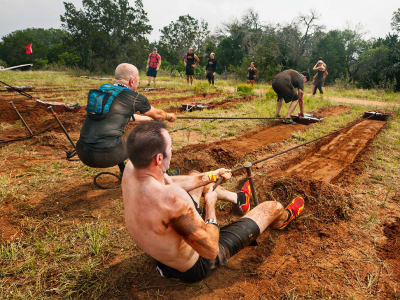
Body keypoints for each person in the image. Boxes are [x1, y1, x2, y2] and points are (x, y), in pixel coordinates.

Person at [122, 121, 305, 282]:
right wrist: (211, 205)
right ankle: (282, 219)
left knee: (195, 177)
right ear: (159, 158)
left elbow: (169, 181)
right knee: (272, 207)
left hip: (162, 251)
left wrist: (210, 176)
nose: (172, 150)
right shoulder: (172, 200)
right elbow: (210, 251)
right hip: (194, 266)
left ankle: (239, 199)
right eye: (170, 147)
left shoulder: (132, 168)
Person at [76, 63, 176, 176]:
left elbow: (120, 117)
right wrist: (169, 116)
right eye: (138, 80)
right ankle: (164, 174)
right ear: (131, 81)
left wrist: (147, 118)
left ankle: (123, 172)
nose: (138, 83)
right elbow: (158, 115)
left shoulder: (105, 92)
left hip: (83, 152)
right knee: (154, 134)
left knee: (117, 136)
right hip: (107, 154)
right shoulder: (133, 97)